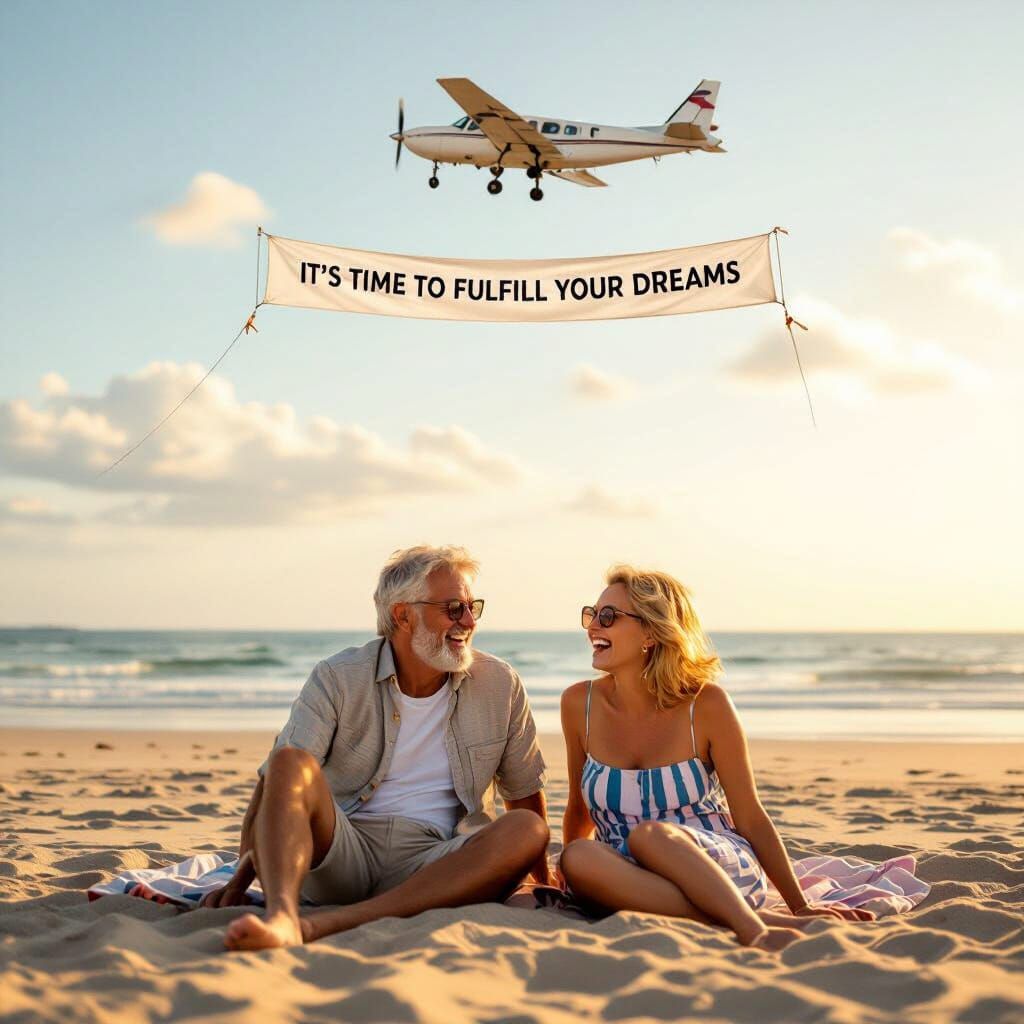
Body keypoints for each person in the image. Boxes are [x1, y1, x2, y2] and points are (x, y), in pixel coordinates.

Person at [205, 545, 551, 950]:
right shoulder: (338, 677)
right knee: (289, 760)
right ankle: (283, 916)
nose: (469, 621)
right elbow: (277, 786)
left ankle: (329, 924)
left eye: (473, 606)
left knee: (529, 829)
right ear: (403, 615)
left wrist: (540, 884)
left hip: (438, 862)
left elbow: (524, 795)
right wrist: (241, 876)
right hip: (342, 851)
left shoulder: (499, 683)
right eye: (454, 609)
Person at [558, 565, 873, 951]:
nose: (593, 626)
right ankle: (749, 919)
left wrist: (800, 904)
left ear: (652, 632)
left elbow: (751, 816)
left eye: (609, 617)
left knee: (651, 836)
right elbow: (579, 809)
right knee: (576, 856)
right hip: (628, 874)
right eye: (592, 614)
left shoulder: (706, 705)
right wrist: (567, 880)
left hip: (714, 863)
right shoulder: (578, 703)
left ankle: (753, 930)